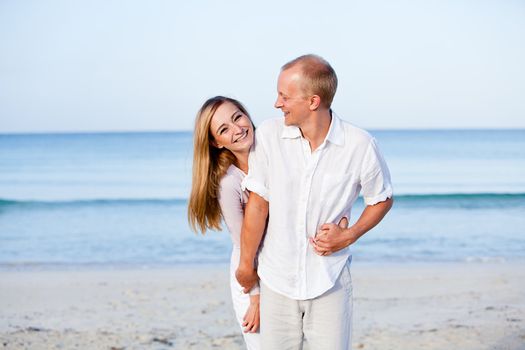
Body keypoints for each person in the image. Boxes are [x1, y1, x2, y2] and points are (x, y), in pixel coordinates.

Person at [236, 54, 394, 349]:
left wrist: (350, 234)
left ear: (313, 101)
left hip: (329, 280)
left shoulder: (360, 145)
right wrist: (246, 266)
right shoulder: (269, 136)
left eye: (284, 96)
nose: (276, 103)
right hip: (275, 280)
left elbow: (381, 199)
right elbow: (258, 205)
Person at [188, 96, 260, 349]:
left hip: (279, 268)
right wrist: (255, 297)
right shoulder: (230, 183)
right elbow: (243, 245)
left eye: (237, 117)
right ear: (216, 143)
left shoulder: (274, 156)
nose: (237, 129)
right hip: (249, 275)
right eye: (223, 129)